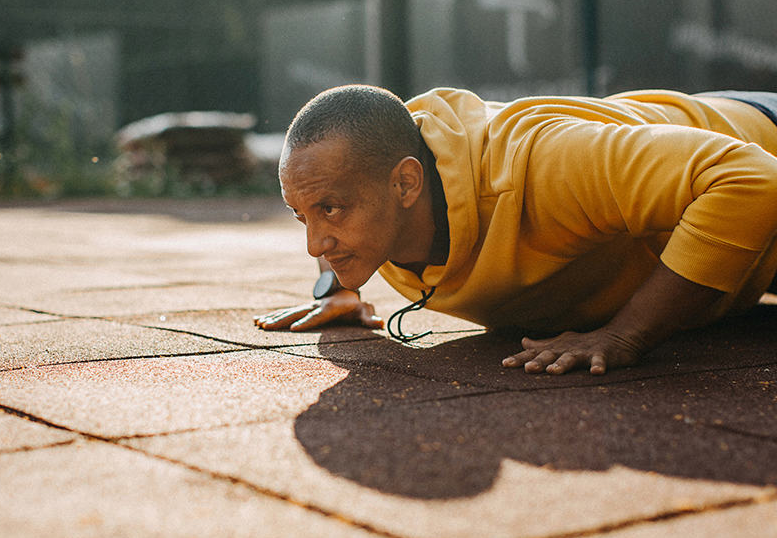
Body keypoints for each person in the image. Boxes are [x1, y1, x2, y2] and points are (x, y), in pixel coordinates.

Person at [253, 84, 777, 375]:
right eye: (302, 215)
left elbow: (753, 180)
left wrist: (626, 334)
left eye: (331, 210)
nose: (315, 244)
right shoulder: (372, 181)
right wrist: (337, 287)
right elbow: (327, 190)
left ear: (407, 183)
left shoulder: (541, 167)